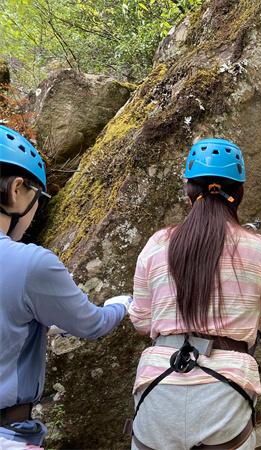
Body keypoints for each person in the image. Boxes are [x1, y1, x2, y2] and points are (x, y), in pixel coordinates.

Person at [128, 138, 261, 450]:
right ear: (238, 193)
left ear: (189, 191)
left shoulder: (157, 245)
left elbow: (141, 320)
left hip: (158, 391)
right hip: (226, 394)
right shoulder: (258, 249)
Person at [0, 125, 130, 449]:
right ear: (17, 189)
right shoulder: (31, 264)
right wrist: (121, 305)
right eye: (38, 200)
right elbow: (91, 324)